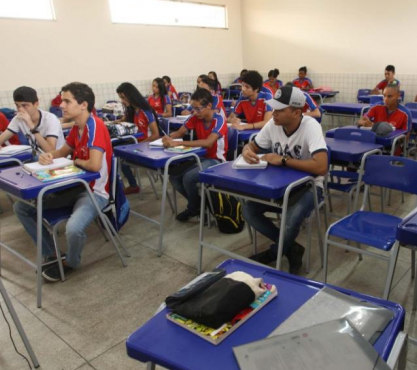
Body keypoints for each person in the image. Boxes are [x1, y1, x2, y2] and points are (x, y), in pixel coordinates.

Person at [13, 82, 114, 282]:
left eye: (67, 101)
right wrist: (48, 156)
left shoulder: (95, 126)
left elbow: (94, 166)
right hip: (76, 187)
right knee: (21, 208)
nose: (62, 105)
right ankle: (52, 254)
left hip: (95, 192)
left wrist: (73, 161)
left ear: (83, 104)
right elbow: (61, 152)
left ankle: (71, 263)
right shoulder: (78, 128)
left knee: (74, 228)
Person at [242, 85, 327, 274]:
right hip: (279, 186)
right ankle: (291, 248)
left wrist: (283, 160)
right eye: (274, 108)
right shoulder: (273, 124)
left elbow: (321, 166)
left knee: (290, 219)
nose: (274, 113)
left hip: (309, 186)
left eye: (280, 110)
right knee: (248, 210)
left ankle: (274, 253)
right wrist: (246, 151)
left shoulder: (311, 126)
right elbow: (252, 146)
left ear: (297, 112)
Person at [163, 88, 227, 222]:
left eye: (198, 108)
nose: (195, 112)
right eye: (193, 108)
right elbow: (180, 133)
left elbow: (209, 143)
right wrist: (168, 138)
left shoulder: (219, 120)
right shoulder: (195, 117)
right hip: (200, 157)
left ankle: (193, 208)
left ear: (209, 106)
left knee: (188, 178)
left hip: (217, 161)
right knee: (174, 176)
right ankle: (199, 205)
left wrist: (178, 143)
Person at [0, 86, 64, 156]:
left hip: (57, 159)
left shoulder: (50, 119)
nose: (20, 109)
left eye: (25, 105)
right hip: (38, 159)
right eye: (17, 106)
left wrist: (31, 125)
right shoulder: (18, 119)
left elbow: (51, 151)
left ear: (36, 104)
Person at [116, 82, 161, 194]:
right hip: (138, 145)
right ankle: (126, 186)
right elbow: (122, 121)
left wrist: (136, 145)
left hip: (147, 147)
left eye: (123, 97)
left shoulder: (145, 111)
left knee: (120, 159)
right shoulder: (132, 110)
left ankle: (131, 185)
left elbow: (156, 135)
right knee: (115, 153)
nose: (122, 100)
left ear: (130, 95)